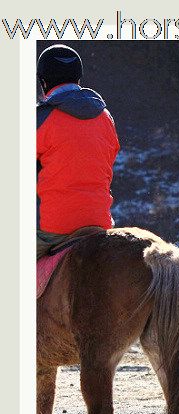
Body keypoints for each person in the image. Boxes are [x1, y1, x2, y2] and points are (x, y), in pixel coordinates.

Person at [36, 44, 120, 259]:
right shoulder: (105, 117)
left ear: (43, 81)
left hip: (53, 227)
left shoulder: (39, 118)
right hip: (99, 221)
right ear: (78, 79)